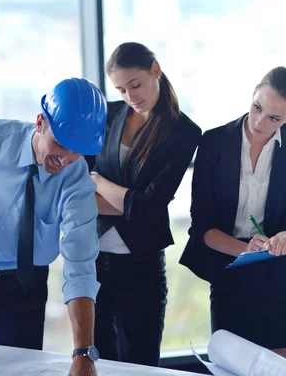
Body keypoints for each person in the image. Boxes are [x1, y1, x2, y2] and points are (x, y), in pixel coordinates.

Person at [0, 77, 107, 376]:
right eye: (60, 143)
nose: (64, 158)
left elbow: (80, 264)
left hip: (23, 287)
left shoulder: (76, 179)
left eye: (77, 150)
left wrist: (83, 353)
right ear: (40, 122)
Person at [86, 42, 201, 366]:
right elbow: (76, 189)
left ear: (155, 70)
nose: (130, 96)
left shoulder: (184, 132)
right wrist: (129, 201)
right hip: (92, 260)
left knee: (139, 364)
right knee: (96, 360)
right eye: (121, 89)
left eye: (135, 85)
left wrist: (98, 182)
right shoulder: (106, 114)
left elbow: (149, 209)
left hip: (140, 268)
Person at [180, 66, 286, 355]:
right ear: (253, 94)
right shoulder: (214, 143)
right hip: (228, 270)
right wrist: (244, 249)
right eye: (257, 108)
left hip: (279, 274)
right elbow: (201, 226)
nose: (260, 122)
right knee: (230, 359)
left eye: (274, 118)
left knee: (276, 363)